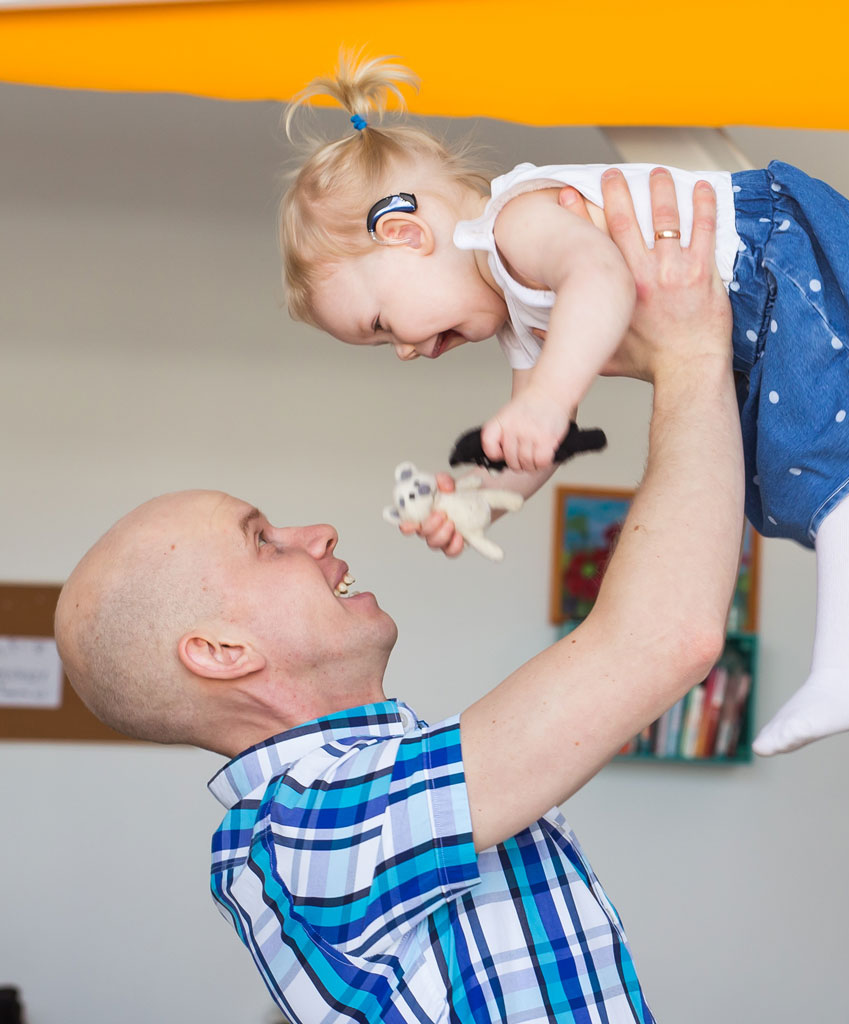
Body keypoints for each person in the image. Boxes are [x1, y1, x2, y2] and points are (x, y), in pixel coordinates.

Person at [55, 171, 745, 1024]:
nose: (319, 536)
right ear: (222, 652)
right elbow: (662, 638)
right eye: (263, 541)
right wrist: (689, 355)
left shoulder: (369, 791)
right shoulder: (310, 831)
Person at [278, 52, 849, 783]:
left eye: (383, 323)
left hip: (778, 263)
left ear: (405, 236)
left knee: (838, 486)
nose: (402, 351)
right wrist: (489, 497)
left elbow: (601, 276)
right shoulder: (520, 313)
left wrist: (550, 396)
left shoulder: (515, 222)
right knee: (835, 488)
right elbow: (540, 442)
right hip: (751, 309)